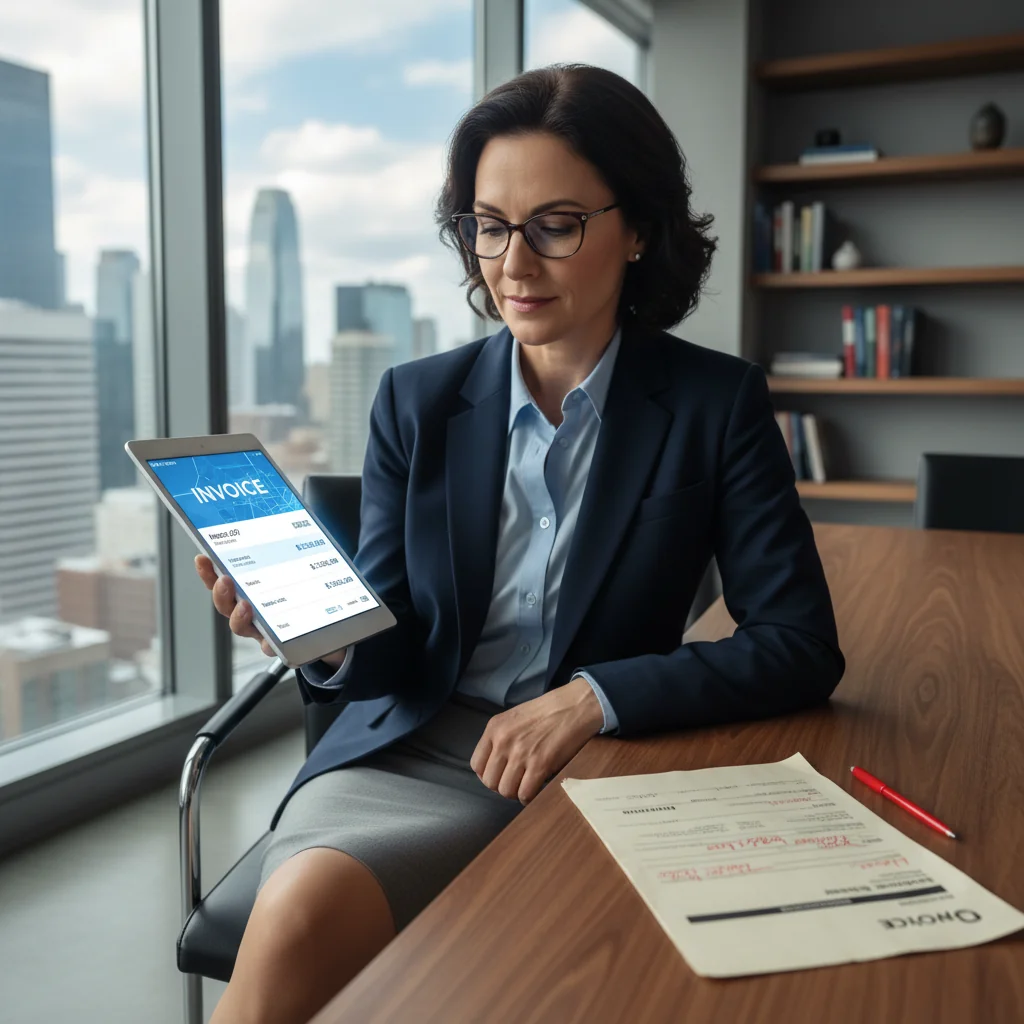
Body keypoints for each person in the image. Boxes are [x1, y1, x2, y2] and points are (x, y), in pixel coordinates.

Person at [198, 64, 844, 1024]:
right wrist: (324, 636)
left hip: (602, 763)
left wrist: (595, 698)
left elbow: (798, 643)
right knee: (295, 917)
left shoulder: (715, 405)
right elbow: (396, 644)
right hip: (413, 754)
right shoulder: (416, 402)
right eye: (489, 226)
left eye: (555, 224)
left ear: (637, 231)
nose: (512, 263)